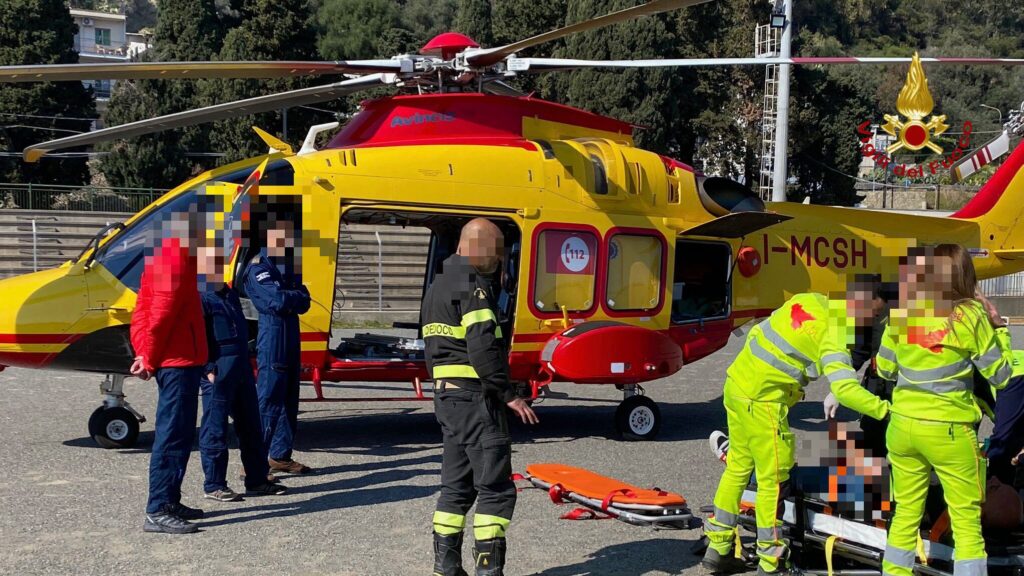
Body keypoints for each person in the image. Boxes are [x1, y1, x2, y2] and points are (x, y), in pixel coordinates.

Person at [702, 287, 891, 576]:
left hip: (737, 387)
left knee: (738, 469)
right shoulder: (835, 333)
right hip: (764, 402)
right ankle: (772, 561)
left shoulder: (809, 300)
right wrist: (886, 410)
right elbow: (845, 388)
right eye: (874, 314)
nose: (872, 322)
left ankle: (718, 548)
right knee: (774, 482)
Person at [877, 244, 1014, 576]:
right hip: (950, 432)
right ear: (964, 275)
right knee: (966, 522)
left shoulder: (903, 313)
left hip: (903, 430)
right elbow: (1001, 375)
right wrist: (1000, 330)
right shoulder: (971, 316)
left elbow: (883, 369)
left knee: (906, 514)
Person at [424, 218, 539, 576]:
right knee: (496, 488)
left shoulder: (439, 284)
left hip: (447, 400)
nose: (499, 259)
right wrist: (508, 394)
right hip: (475, 399)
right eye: (496, 251)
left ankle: (447, 567)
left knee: (456, 488)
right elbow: (483, 346)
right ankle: (489, 570)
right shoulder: (472, 284)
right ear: (479, 247)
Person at [129, 207, 209, 534]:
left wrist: (147, 353)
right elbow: (158, 314)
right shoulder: (173, 259)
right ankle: (158, 507)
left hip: (182, 360)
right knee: (172, 435)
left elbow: (147, 310)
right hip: (176, 363)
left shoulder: (177, 258)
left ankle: (169, 499)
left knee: (179, 434)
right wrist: (147, 356)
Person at [196, 244, 287, 501]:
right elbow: (197, 337)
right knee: (215, 428)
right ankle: (214, 484)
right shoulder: (200, 297)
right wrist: (207, 368)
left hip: (241, 366)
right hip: (219, 367)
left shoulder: (229, 293)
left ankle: (256, 480)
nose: (215, 267)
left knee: (251, 425)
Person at [243, 213, 313, 475]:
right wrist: (293, 296)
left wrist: (292, 296)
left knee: (289, 401)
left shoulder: (288, 268)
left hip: (291, 337)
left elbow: (304, 301)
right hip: (273, 339)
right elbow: (277, 302)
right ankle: (255, 462)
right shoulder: (259, 268)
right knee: (269, 400)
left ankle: (280, 456)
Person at [823, 277, 897, 457]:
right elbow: (860, 348)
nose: (874, 315)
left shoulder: (913, 305)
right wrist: (839, 385)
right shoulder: (868, 306)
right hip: (878, 384)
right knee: (874, 447)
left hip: (911, 388)